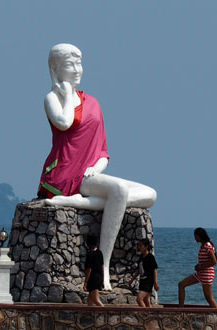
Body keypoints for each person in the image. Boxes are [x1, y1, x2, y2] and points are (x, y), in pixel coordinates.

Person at [39, 43, 157, 291]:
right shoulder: (52, 98)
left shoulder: (92, 102)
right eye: (71, 64)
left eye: (79, 63)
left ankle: (73, 202)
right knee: (120, 193)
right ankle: (103, 265)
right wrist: (67, 94)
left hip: (90, 174)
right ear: (56, 68)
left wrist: (98, 167)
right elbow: (64, 122)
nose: (77, 70)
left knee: (150, 195)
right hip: (66, 173)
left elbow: (103, 151)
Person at [177, 227, 217, 308]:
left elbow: (214, 261)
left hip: (207, 274)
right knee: (181, 284)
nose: (194, 238)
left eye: (195, 236)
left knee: (209, 297)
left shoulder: (207, 245)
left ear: (200, 236)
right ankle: (180, 309)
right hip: (200, 273)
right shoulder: (202, 246)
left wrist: (200, 266)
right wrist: (199, 267)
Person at [136, 239, 159, 307]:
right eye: (139, 246)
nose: (139, 247)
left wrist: (155, 282)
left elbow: (154, 269)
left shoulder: (150, 257)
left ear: (146, 247)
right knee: (146, 300)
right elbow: (139, 270)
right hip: (142, 281)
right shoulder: (141, 257)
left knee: (139, 299)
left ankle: (145, 314)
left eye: (141, 246)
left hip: (148, 281)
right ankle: (152, 315)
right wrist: (132, 279)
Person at [83, 234, 104, 307]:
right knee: (90, 302)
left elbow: (89, 269)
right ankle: (90, 317)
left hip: (92, 279)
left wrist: (85, 282)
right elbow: (102, 267)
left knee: (96, 300)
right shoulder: (99, 253)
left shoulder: (90, 254)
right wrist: (103, 280)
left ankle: (107, 314)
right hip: (99, 277)